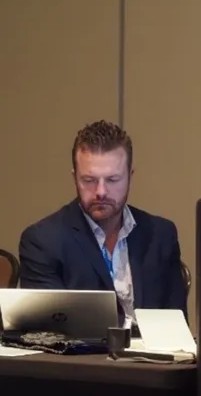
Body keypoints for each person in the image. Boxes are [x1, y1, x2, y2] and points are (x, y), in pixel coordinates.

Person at [18, 120, 188, 328]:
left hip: (155, 349)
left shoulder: (161, 235)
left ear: (130, 177)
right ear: (74, 178)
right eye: (89, 180)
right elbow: (49, 332)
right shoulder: (42, 241)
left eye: (112, 180)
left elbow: (176, 325)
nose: (101, 192)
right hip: (84, 350)